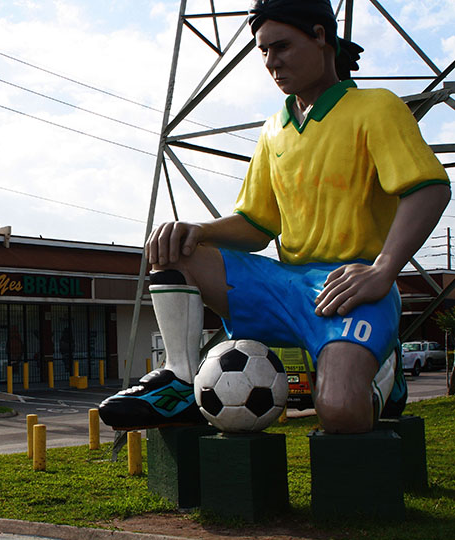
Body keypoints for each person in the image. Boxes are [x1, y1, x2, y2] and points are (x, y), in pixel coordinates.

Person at [99, 0, 450, 434]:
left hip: (350, 288)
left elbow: (429, 188)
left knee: (339, 412)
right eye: (263, 51)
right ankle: (182, 380)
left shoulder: (376, 108)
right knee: (175, 250)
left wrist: (383, 270)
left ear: (320, 36)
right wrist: (198, 230)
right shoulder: (273, 129)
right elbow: (257, 225)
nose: (271, 62)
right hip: (285, 287)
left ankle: (383, 374)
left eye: (281, 46)